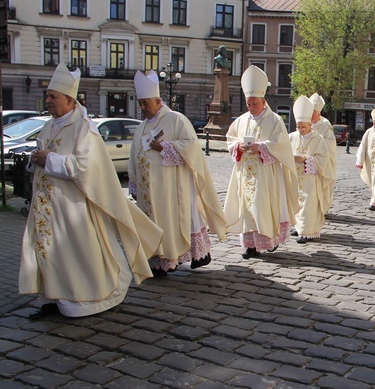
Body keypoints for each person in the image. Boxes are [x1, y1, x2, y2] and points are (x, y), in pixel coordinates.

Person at [19, 63, 163, 319]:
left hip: (73, 208)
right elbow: (43, 157)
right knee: (48, 251)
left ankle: (82, 300)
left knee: (73, 256)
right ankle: (51, 299)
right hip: (46, 207)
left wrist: (49, 159)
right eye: (48, 96)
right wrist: (36, 159)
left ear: (69, 99)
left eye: (53, 96)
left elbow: (87, 167)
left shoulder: (84, 128)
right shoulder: (49, 125)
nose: (48, 100)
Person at [128, 70, 226, 276]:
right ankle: (158, 261)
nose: (143, 108)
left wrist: (165, 147)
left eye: (146, 103)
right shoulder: (141, 127)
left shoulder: (175, 119)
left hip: (173, 186)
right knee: (153, 222)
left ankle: (196, 255)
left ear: (157, 100)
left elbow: (192, 147)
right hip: (149, 191)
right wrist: (135, 184)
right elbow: (133, 157)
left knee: (179, 220)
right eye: (140, 104)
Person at [223, 65, 299, 258]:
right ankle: (250, 246)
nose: (251, 107)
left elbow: (280, 144)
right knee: (247, 208)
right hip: (245, 174)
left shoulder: (274, 120)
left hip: (266, 175)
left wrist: (262, 147)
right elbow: (230, 138)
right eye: (248, 103)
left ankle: (269, 240)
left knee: (261, 207)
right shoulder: (241, 120)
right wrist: (238, 146)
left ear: (263, 101)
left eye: (254, 103)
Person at [289, 96, 335, 243]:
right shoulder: (292, 137)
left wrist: (306, 159)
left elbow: (323, 157)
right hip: (296, 176)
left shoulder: (318, 138)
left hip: (310, 177)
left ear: (310, 126)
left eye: (304, 127)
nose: (301, 130)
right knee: (297, 201)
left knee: (308, 203)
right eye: (298, 126)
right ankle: (299, 227)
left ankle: (307, 232)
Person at [310, 93, 337, 213]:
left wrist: (317, 147)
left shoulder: (325, 125)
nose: (310, 115)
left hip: (322, 162)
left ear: (318, 113)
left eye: (313, 112)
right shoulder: (304, 123)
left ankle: (321, 209)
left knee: (320, 188)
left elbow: (330, 143)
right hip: (307, 162)